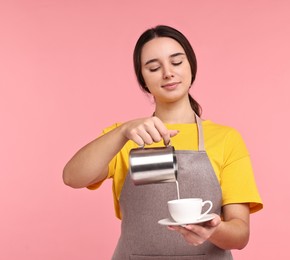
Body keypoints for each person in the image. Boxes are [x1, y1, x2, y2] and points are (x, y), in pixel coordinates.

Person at [63, 25, 263, 259]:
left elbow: (240, 235)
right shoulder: (127, 137)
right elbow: (72, 177)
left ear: (191, 67)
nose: (168, 73)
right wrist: (121, 132)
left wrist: (212, 229)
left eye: (176, 63)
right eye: (154, 67)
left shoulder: (227, 139)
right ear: (143, 80)